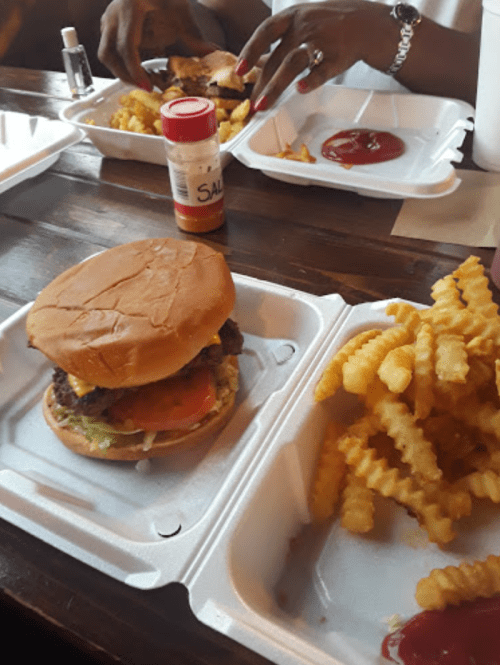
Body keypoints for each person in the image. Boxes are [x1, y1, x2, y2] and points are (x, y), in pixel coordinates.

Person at [97, 0, 481, 106]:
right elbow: (265, 16)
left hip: (440, 190)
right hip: (281, 157)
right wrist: (179, 13)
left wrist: (382, 31)